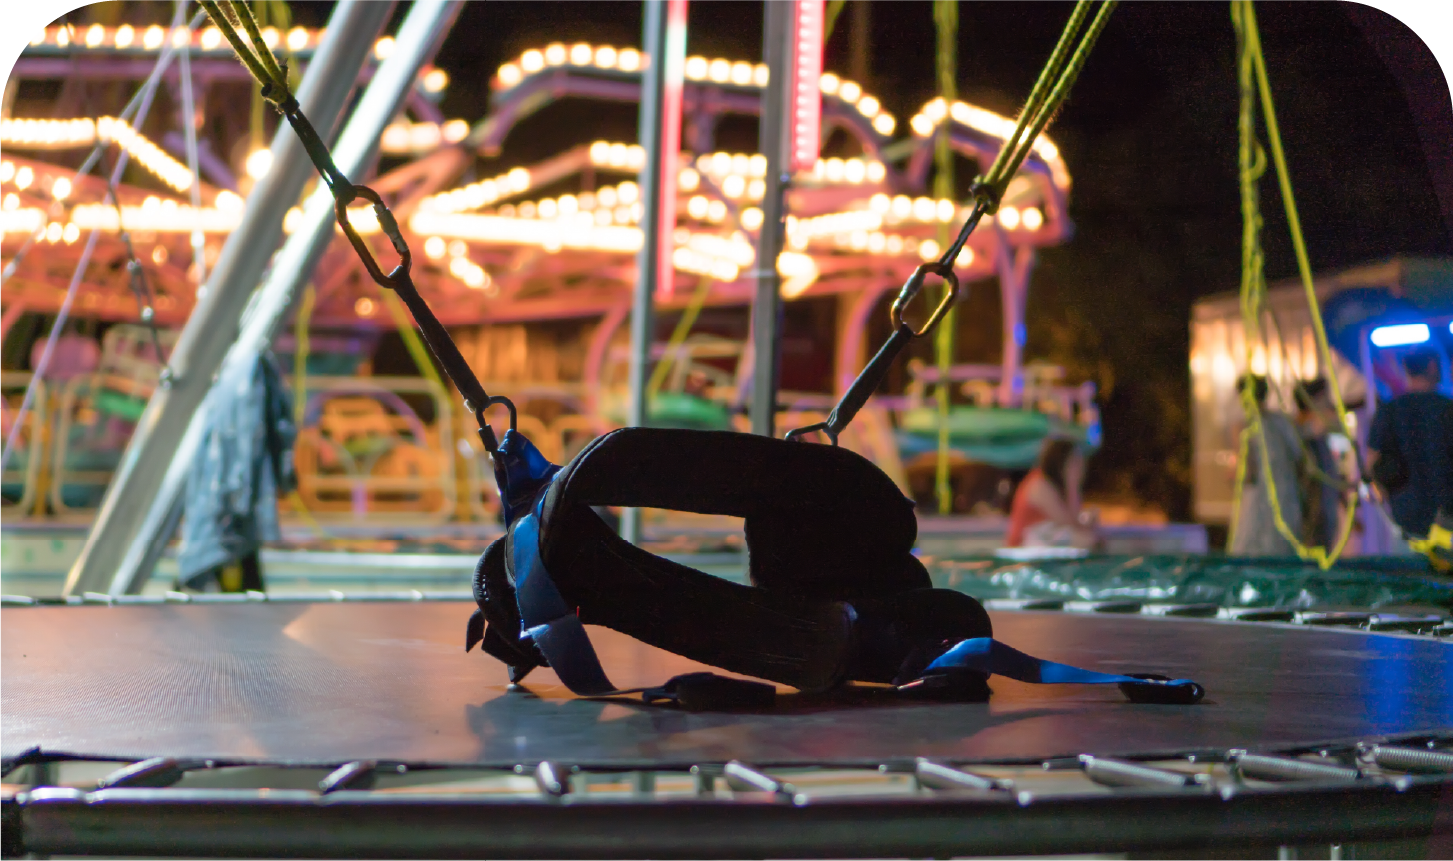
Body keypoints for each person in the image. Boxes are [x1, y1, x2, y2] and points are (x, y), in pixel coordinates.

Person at [1368, 349, 1453, 538]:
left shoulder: (1389, 411)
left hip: (1405, 513)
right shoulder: (1447, 408)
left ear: (1406, 369)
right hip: (1446, 511)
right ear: (1432, 367)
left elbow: (1372, 460)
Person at [1230, 374, 1303, 556]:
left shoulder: (1246, 427)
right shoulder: (1283, 422)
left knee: (1252, 549)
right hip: (1286, 496)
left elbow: (1247, 472)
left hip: (1258, 503)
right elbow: (1298, 457)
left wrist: (1232, 475)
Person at [1005, 437, 1098, 549]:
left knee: (1088, 538)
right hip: (1023, 547)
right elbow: (1067, 522)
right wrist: (1072, 484)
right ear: (1061, 461)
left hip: (1040, 543)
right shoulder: (1039, 485)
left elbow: (1073, 522)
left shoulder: (1055, 486)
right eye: (1075, 461)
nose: (1081, 467)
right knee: (1084, 540)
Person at [1294, 377, 1343, 549]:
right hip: (1313, 514)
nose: (1329, 404)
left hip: (1323, 511)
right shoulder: (1303, 433)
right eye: (1325, 398)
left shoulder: (1318, 436)